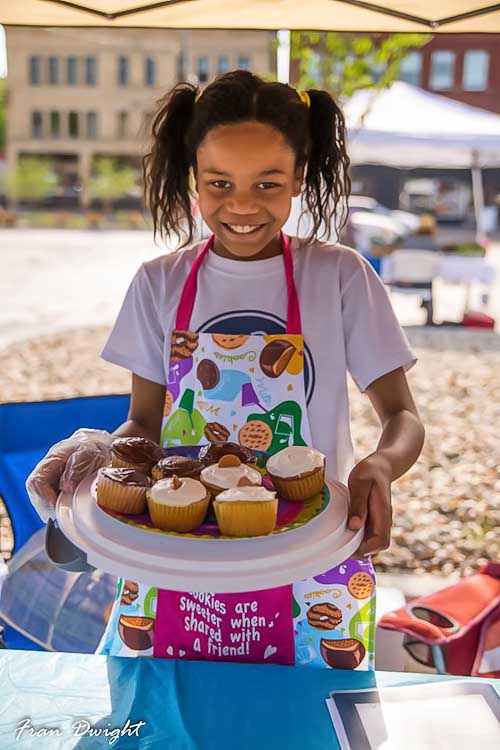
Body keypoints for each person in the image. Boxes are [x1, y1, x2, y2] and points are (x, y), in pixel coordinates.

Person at [26, 70, 424, 668]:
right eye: (219, 183)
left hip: (312, 556)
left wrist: (382, 464)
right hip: (176, 554)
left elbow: (402, 417)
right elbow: (144, 425)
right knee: (162, 718)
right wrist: (101, 452)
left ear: (300, 178)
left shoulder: (340, 277)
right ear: (194, 178)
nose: (242, 205)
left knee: (308, 723)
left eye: (268, 183)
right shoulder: (160, 283)